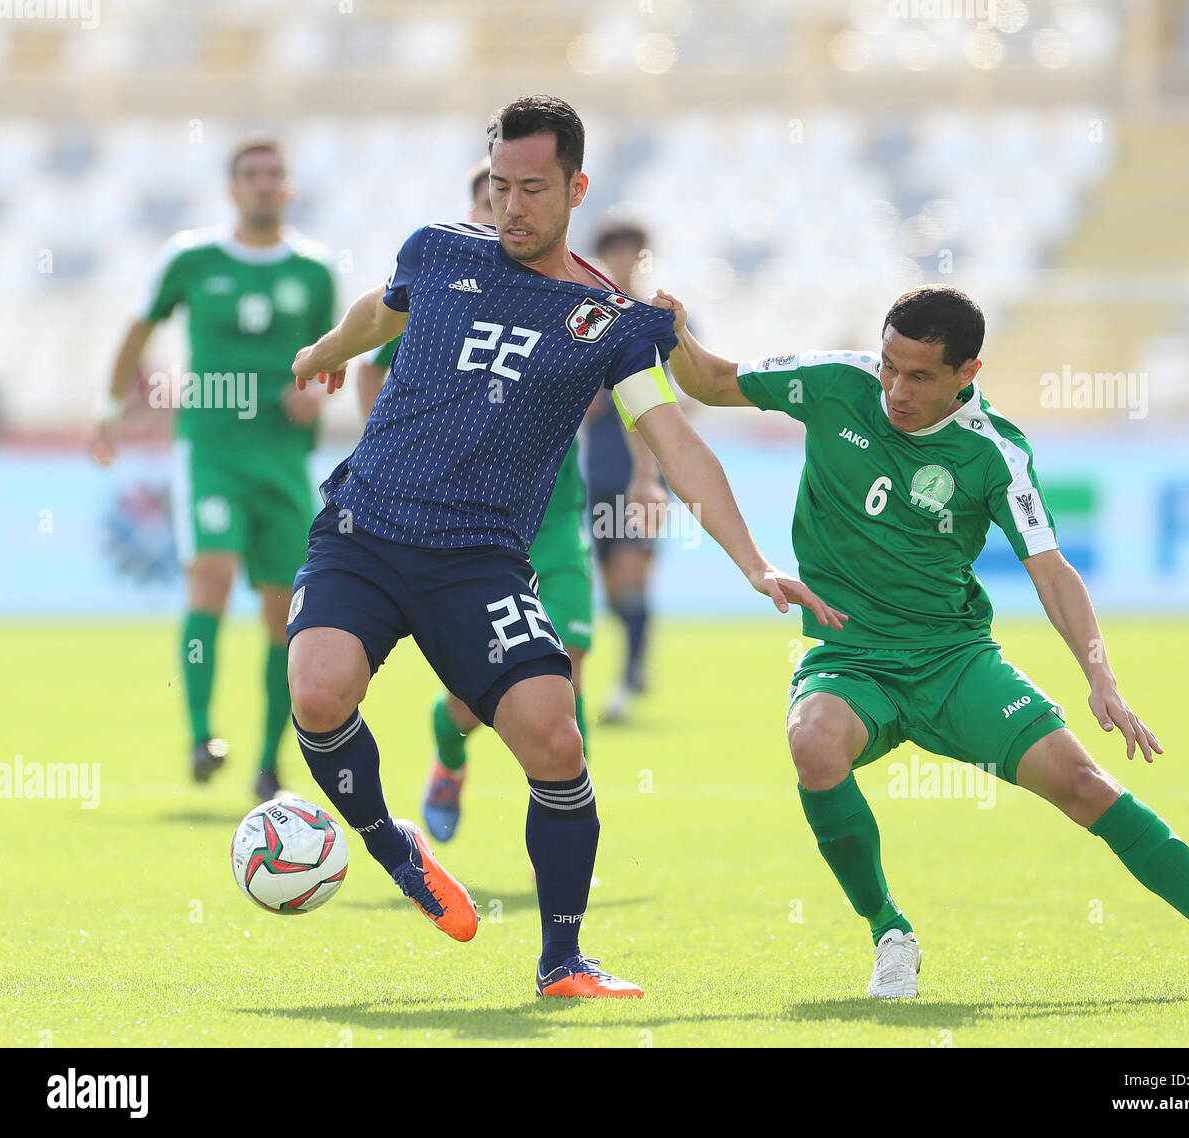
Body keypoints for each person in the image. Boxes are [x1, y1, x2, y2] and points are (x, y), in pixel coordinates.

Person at [286, 96, 843, 998]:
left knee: (555, 740)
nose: (512, 206)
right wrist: (324, 349)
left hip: (479, 560)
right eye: (500, 185)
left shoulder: (611, 322)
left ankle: (563, 960)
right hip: (366, 530)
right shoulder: (438, 250)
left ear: (576, 188)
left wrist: (752, 560)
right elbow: (377, 316)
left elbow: (676, 441)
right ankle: (392, 842)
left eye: (533, 189)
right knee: (317, 691)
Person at [653, 282, 1189, 998]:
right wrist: (676, 330)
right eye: (889, 364)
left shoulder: (994, 453)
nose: (895, 388)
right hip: (851, 656)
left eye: (920, 375)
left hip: (954, 664)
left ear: (967, 374)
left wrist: (1101, 678)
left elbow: (1051, 570)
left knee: (1086, 786)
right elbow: (709, 381)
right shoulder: (836, 382)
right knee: (813, 741)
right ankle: (890, 931)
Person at [355, 164, 666, 844]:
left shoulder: (571, 299)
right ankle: (451, 751)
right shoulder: (439, 295)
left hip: (552, 518)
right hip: (466, 529)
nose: (504, 216)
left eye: (521, 198)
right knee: (476, 697)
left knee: (569, 664)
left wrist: (647, 477)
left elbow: (643, 394)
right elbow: (368, 367)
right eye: (491, 201)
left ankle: (558, 835)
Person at [90, 135, 334, 801]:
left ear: (288, 188)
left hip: (283, 460)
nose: (262, 184)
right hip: (212, 449)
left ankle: (267, 762)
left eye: (273, 174)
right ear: (232, 189)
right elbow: (139, 328)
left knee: (286, 612)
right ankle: (201, 736)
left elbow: (331, 358)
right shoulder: (191, 259)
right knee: (213, 577)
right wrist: (110, 409)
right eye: (250, 174)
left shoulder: (314, 270)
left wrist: (313, 392)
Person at [582, 222, 662, 722]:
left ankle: (629, 680)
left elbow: (686, 393)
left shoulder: (659, 318)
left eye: (631, 251)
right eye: (613, 251)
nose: (623, 259)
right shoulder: (587, 320)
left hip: (645, 474)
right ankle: (634, 666)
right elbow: (585, 409)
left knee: (633, 578)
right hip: (600, 475)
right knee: (613, 590)